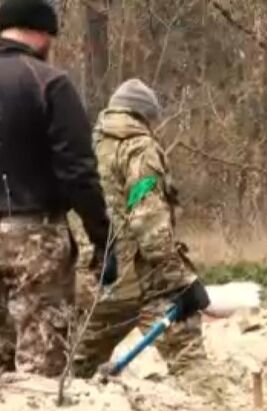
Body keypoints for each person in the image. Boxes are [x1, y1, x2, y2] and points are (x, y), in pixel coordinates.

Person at [0, 0, 116, 376]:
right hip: (35, 238)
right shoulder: (48, 82)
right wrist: (103, 236)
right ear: (40, 32)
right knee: (40, 371)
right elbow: (78, 172)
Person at [70, 78, 211, 378]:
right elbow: (149, 226)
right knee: (191, 364)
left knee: (72, 374)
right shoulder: (139, 149)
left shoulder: (87, 147)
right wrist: (182, 283)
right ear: (144, 116)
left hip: (94, 284)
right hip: (141, 283)